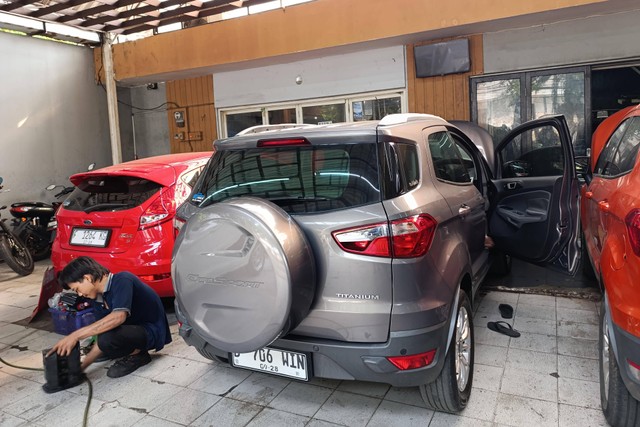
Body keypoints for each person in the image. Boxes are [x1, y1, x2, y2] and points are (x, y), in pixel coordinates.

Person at [47, 256, 172, 378]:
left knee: (107, 339)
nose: (80, 294)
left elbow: (119, 317)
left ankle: (138, 354)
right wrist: (81, 368)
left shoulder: (123, 280)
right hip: (132, 330)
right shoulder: (97, 298)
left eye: (77, 289)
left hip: (151, 331)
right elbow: (102, 331)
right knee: (104, 340)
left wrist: (75, 336)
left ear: (87, 278)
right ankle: (123, 349)